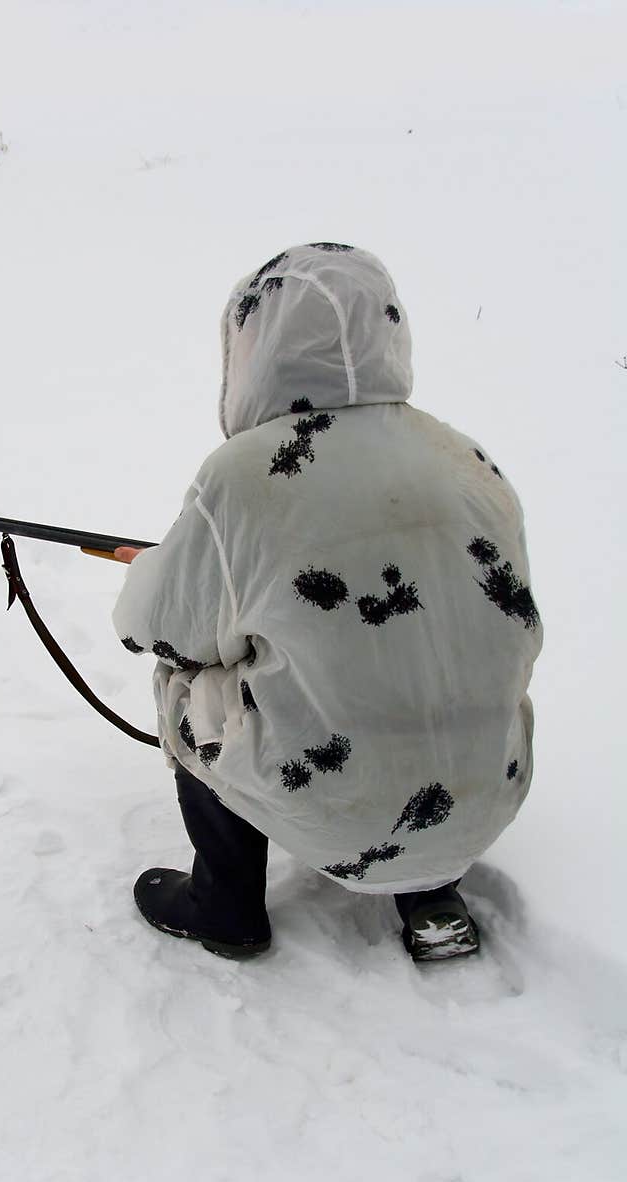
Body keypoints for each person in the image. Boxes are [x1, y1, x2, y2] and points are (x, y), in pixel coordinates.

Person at [111, 243, 542, 962]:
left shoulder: (244, 476)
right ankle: (432, 895)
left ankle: (225, 906)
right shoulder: (466, 457)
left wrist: (153, 569)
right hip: (486, 792)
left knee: (188, 684)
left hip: (339, 809)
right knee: (430, 655)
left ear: (258, 346)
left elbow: (161, 629)